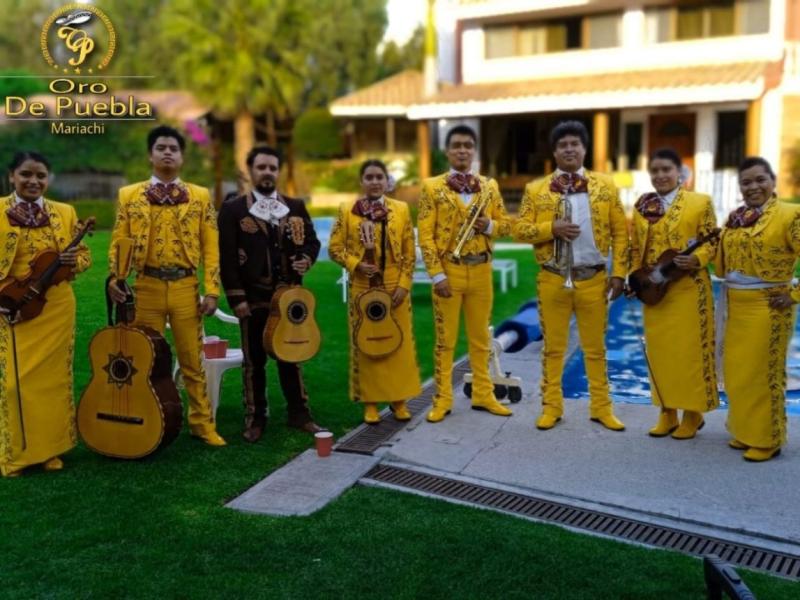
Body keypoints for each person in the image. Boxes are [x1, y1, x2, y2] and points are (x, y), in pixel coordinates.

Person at [107, 125, 226, 447]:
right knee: (144, 356)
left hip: (186, 286)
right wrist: (116, 278)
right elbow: (120, 241)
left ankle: (202, 423)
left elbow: (212, 246)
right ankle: (145, 416)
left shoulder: (200, 197)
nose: (167, 152)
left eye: (173, 148)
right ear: (150, 154)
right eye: (161, 147)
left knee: (192, 358)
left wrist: (212, 289)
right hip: (147, 285)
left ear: (183, 156)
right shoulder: (129, 195)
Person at [513, 120, 628, 432]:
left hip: (594, 279)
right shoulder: (536, 189)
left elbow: (620, 232)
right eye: (562, 145)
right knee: (553, 348)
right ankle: (551, 408)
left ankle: (601, 408)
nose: (568, 149)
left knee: (595, 348)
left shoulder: (605, 185)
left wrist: (619, 274)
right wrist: (551, 228)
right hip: (553, 278)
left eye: (574, 144)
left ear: (584, 149)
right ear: (554, 151)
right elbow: (519, 230)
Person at [217, 145, 322, 442]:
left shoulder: (295, 206)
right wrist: (236, 299)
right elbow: (226, 259)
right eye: (261, 167)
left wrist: (307, 259)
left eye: (272, 168)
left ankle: (299, 414)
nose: (267, 172)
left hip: (289, 296)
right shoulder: (233, 209)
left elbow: (312, 243)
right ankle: (255, 418)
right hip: (254, 298)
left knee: (292, 354)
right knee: (255, 363)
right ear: (251, 171)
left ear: (279, 171)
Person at [0, 151, 91, 476]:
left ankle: (51, 450)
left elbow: (83, 255)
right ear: (12, 176)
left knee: (54, 381)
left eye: (40, 175)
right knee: (16, 383)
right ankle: (16, 455)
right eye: (26, 174)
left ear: (48, 179)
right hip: (13, 305)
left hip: (57, 305)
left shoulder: (64, 212)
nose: (33, 181)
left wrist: (72, 263)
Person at [418, 124, 513, 423]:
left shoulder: (490, 186)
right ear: (447, 151)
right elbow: (426, 236)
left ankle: (484, 394)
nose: (462, 150)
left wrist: (490, 226)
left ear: (474, 151)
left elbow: (506, 225)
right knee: (445, 341)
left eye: (467, 145)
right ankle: (442, 398)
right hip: (450, 272)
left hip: (481, 270)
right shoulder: (432, 187)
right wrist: (437, 275)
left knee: (480, 339)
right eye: (456, 145)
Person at [629, 148, 719, 439]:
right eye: (654, 171)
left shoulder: (699, 203)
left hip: (689, 290)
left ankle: (693, 414)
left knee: (690, 354)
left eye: (666, 169)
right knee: (659, 354)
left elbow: (714, 243)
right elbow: (635, 249)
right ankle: (666, 412)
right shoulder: (642, 206)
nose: (660, 176)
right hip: (655, 291)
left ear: (680, 172)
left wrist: (698, 259)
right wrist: (635, 280)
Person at [715, 156, 800, 462]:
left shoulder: (790, 215)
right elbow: (722, 262)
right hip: (736, 303)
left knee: (763, 374)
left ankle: (768, 439)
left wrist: (794, 294)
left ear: (773, 181)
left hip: (768, 305)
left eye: (760, 180)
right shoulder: (736, 218)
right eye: (746, 182)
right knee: (738, 373)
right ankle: (744, 431)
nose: (753, 187)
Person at [329, 159, 422, 424]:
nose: (374, 181)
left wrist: (404, 285)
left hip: (394, 283)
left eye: (379, 176)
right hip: (362, 286)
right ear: (362, 182)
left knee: (399, 345)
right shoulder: (348, 210)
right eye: (369, 177)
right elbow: (335, 249)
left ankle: (399, 400)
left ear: (386, 180)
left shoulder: (402, 209)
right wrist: (357, 266)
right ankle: (370, 403)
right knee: (366, 344)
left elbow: (408, 252)